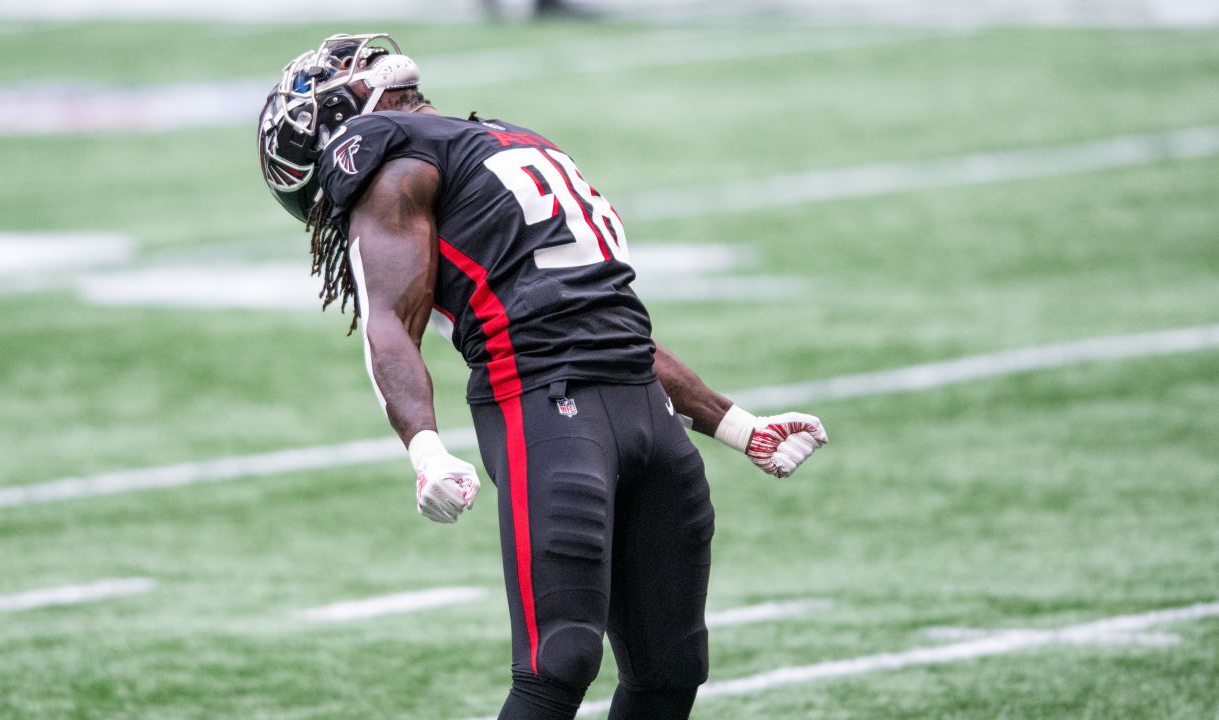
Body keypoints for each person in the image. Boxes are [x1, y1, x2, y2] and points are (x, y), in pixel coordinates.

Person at [258, 33, 828, 720]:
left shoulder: (407, 164)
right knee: (558, 662)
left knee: (671, 668)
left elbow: (601, 320)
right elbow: (393, 325)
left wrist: (736, 426)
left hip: (632, 404)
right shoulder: (499, 143)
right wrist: (425, 448)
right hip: (542, 407)